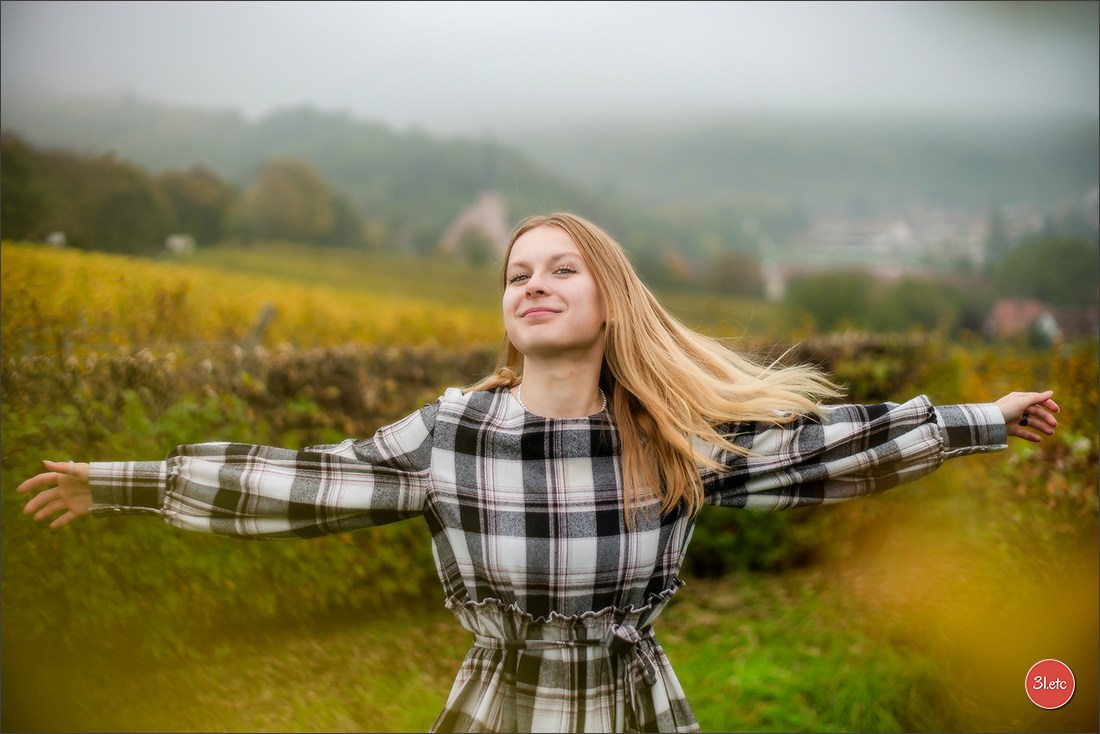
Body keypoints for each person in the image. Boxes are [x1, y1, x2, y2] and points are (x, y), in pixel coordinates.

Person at [18, 212, 1060, 733]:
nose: (534, 281)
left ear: (612, 299)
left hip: (632, 701)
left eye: (562, 266)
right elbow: (299, 481)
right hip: (498, 702)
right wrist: (124, 480)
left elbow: (828, 449)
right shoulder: (452, 432)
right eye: (518, 271)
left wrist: (976, 418)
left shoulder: (673, 433)